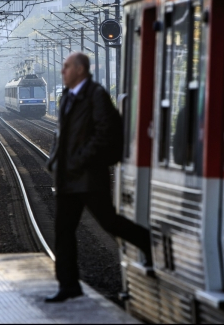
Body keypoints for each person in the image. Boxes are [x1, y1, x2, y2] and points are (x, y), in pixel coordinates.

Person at [44, 52, 152, 303]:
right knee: (63, 231)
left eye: (67, 67)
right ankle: (68, 285)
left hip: (89, 176)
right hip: (68, 177)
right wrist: (56, 161)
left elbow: (107, 131)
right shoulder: (67, 97)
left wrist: (82, 158)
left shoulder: (96, 95)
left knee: (109, 222)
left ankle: (146, 241)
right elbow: (63, 135)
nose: (63, 71)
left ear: (81, 70)